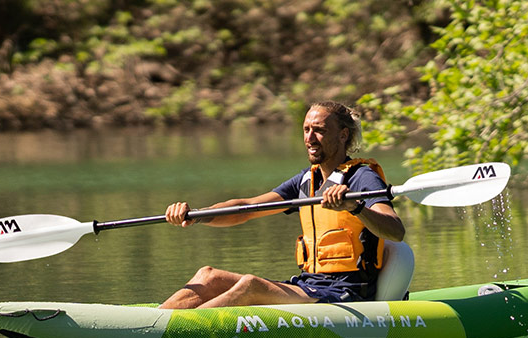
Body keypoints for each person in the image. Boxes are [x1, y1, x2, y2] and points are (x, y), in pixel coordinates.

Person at [159, 101, 405, 308]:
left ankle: (178, 331)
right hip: (307, 285)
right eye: (306, 129)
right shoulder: (307, 180)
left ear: (343, 135)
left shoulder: (362, 177)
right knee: (208, 276)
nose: (310, 138)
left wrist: (356, 208)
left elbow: (395, 230)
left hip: (347, 293)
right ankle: (155, 321)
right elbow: (246, 208)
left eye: (318, 130)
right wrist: (198, 215)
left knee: (250, 285)